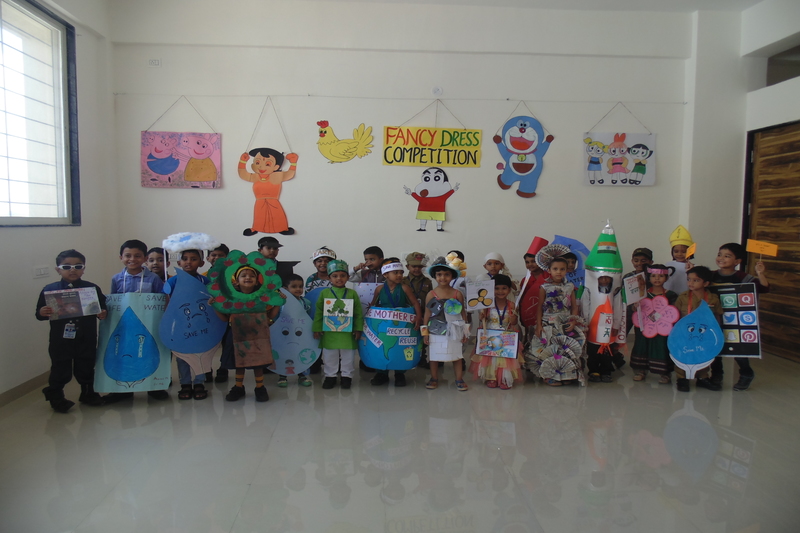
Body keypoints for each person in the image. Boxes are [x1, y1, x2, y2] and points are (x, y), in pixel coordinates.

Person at [35, 249, 107, 413]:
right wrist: (42, 312)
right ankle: (56, 396)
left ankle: (88, 393)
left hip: (86, 337)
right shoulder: (50, 290)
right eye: (66, 266)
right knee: (60, 367)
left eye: (78, 266)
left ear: (84, 269)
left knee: (86, 365)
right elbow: (39, 314)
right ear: (58, 269)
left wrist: (103, 312)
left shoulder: (91, 288)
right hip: (60, 339)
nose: (72, 270)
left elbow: (103, 306)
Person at [105, 239, 168, 402]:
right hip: (125, 326)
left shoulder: (153, 279)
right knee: (123, 354)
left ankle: (155, 388)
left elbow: (161, 301)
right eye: (128, 255)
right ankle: (122, 391)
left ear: (145, 258)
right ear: (121, 257)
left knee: (149, 353)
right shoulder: (117, 279)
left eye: (137, 256)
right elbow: (113, 302)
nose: (132, 259)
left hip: (149, 324)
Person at [709, 243, 770, 391]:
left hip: (737, 319)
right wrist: (690, 271)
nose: (721, 258)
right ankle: (716, 374)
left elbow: (763, 288)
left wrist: (760, 273)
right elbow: (697, 283)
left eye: (727, 256)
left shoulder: (743, 277)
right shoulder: (711, 275)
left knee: (739, 349)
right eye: (719, 254)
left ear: (737, 261)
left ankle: (746, 373)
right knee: (715, 346)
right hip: (715, 318)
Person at [218, 265, 281, 402]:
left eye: (252, 276)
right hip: (237, 336)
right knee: (239, 363)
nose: (248, 278)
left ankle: (260, 387)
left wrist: (278, 302)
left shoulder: (262, 298)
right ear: (236, 280)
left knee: (258, 363)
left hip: (258, 337)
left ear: (257, 280)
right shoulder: (231, 298)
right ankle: (238, 387)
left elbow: (270, 315)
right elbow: (224, 318)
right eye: (244, 275)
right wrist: (214, 306)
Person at [165, 249, 210, 400]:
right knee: (182, 356)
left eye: (193, 259)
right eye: (185, 259)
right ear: (179, 262)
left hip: (200, 325)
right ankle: (185, 383)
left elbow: (210, 301)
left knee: (200, 354)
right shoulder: (173, 281)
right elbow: (166, 301)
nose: (188, 262)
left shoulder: (205, 281)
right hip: (179, 325)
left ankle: (199, 383)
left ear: (201, 263)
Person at [369, 258, 422, 387]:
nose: (399, 275)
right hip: (385, 326)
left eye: (401, 272)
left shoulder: (404, 288)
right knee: (383, 347)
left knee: (400, 348)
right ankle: (381, 373)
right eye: (395, 272)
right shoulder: (379, 289)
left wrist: (418, 317)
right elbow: (373, 305)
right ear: (386, 274)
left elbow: (415, 303)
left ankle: (400, 374)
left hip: (401, 325)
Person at [313, 259, 364, 389]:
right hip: (329, 331)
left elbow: (358, 313)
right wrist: (317, 328)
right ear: (329, 278)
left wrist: (358, 329)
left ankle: (347, 376)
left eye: (342, 275)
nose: (339, 279)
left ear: (348, 277)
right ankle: (330, 376)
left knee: (348, 356)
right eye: (335, 276)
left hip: (348, 332)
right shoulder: (324, 293)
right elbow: (319, 311)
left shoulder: (352, 293)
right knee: (329, 355)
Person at [536, 256, 585, 386]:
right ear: (549, 270)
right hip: (549, 323)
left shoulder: (570, 286)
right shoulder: (544, 287)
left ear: (567, 270)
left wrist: (573, 321)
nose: (559, 272)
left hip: (565, 324)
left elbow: (574, 306)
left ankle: (566, 374)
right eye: (555, 269)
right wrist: (539, 325)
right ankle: (550, 375)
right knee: (551, 350)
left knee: (565, 350)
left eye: (562, 269)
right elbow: (539, 307)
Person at [422, 257, 469, 391]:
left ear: (452, 276)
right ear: (434, 276)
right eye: (439, 274)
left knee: (457, 355)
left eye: (447, 274)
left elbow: (463, 313)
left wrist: (465, 331)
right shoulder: (431, 294)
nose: (443, 277)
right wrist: (425, 333)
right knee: (434, 356)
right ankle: (434, 378)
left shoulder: (457, 294)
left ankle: (459, 378)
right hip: (435, 330)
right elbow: (427, 314)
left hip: (455, 329)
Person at [674, 266, 723, 392]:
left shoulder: (712, 298)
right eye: (689, 279)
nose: (691, 283)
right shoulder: (683, 297)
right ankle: (682, 378)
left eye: (696, 280)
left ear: (706, 283)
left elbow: (717, 315)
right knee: (682, 354)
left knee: (703, 354)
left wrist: (717, 332)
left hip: (704, 334)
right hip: (685, 333)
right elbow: (674, 314)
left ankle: (702, 377)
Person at [470, 275, 522, 389]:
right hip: (491, 335)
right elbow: (484, 320)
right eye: (497, 288)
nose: (500, 291)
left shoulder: (512, 305)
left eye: (504, 288)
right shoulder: (487, 305)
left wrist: (514, 319)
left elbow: (514, 322)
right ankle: (492, 377)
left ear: (509, 290)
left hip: (506, 336)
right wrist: (482, 317)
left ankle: (504, 378)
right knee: (491, 358)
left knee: (505, 359)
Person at [629, 264, 678, 384]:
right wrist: (635, 306)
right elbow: (634, 309)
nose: (657, 278)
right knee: (641, 346)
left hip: (662, 328)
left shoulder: (671, 295)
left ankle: (664, 373)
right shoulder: (642, 294)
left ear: (666, 278)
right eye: (653, 276)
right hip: (644, 326)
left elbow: (673, 312)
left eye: (661, 276)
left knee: (661, 347)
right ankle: (640, 371)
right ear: (649, 278)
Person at [238, 147, 298, 236]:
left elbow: (289, 174)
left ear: (276, 167)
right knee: (259, 215)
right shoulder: (255, 177)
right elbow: (243, 174)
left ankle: (282, 228)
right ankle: (256, 228)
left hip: (273, 200)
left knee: (277, 214)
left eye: (268, 164)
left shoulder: (277, 176)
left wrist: (293, 163)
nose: (261, 167)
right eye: (257, 163)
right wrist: (242, 162)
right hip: (260, 200)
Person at [276, 274, 313, 388]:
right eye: (294, 286)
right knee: (284, 354)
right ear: (285, 289)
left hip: (300, 336)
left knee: (300, 354)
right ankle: (282, 376)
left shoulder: (306, 303)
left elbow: (308, 319)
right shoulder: (281, 303)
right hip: (285, 335)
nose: (298, 289)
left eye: (300, 286)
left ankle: (302, 375)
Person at [202, 243, 230, 382]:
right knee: (208, 344)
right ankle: (206, 369)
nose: (217, 258)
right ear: (208, 258)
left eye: (221, 255)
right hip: (207, 316)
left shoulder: (231, 276)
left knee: (226, 343)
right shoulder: (203, 278)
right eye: (214, 255)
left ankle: (223, 368)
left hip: (226, 315)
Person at [517, 237, 549, 345]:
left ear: (541, 261)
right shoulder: (525, 281)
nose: (530, 264)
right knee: (529, 338)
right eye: (527, 262)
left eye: (533, 261)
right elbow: (523, 300)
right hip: (530, 315)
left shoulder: (549, 278)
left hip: (546, 315)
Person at [403, 252, 432, 368]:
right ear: (407, 267)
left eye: (420, 266)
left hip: (423, 314)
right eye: (414, 266)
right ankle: (406, 357)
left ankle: (422, 357)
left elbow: (430, 300)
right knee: (408, 336)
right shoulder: (403, 281)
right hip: (407, 315)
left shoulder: (427, 282)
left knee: (422, 335)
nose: (417, 269)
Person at [664, 225, 693, 295]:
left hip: (685, 296)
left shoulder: (693, 267)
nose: (679, 254)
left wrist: (691, 270)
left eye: (683, 252)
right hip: (668, 295)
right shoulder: (668, 265)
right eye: (676, 251)